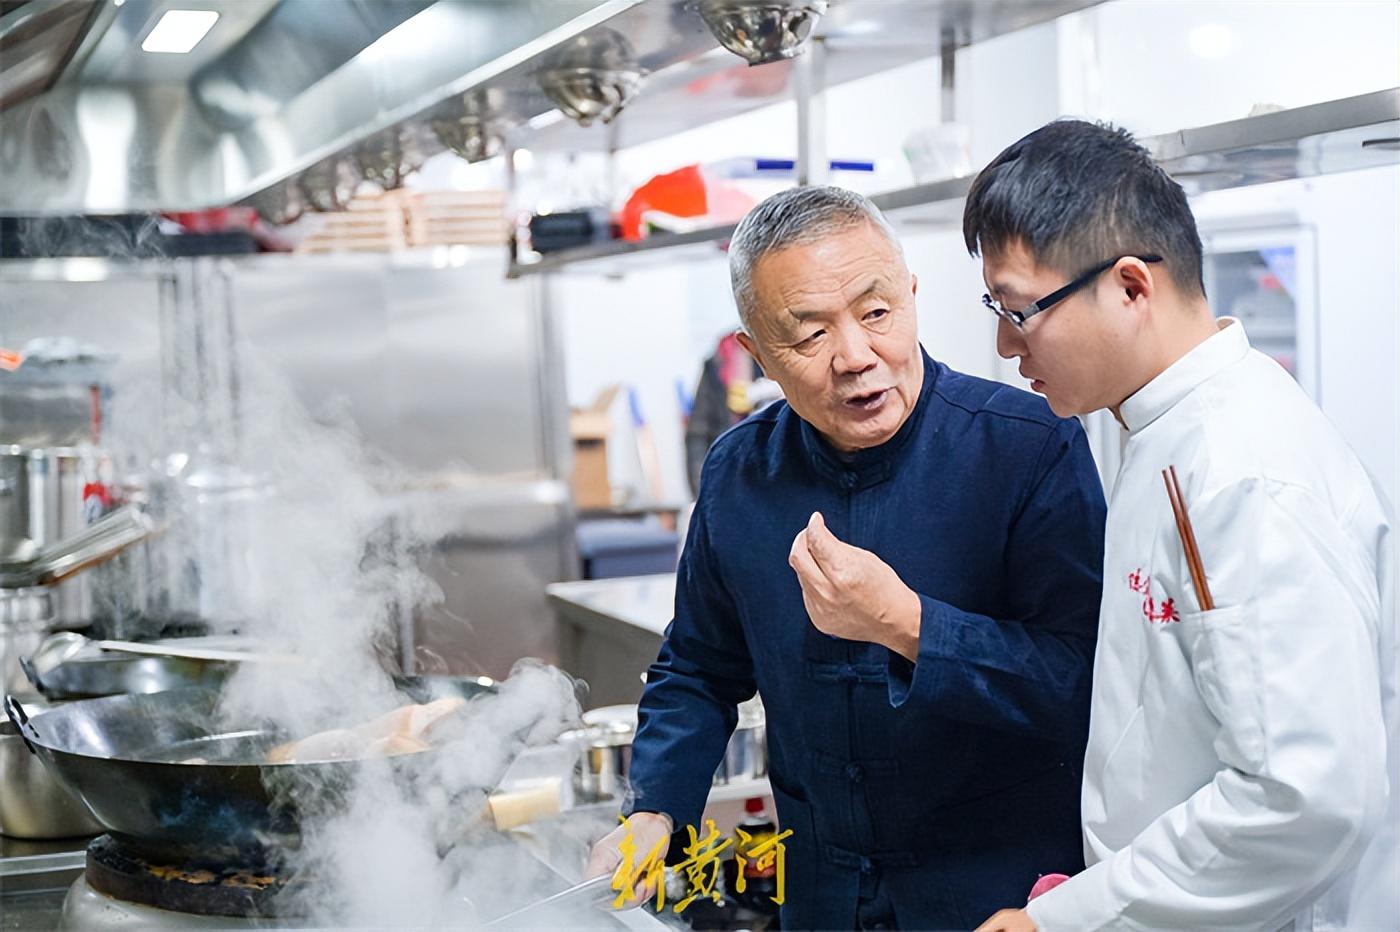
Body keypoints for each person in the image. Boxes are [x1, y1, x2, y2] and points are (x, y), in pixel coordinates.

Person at [584, 185, 1108, 929]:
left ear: (912, 295)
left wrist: (911, 626)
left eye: (876, 313)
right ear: (757, 351)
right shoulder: (741, 474)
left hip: (1000, 896)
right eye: (808, 335)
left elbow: (1084, 680)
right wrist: (657, 809)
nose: (857, 357)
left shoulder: (1027, 445)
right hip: (821, 896)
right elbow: (698, 667)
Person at [963, 120, 1397, 932]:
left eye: (1020, 309)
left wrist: (1070, 919)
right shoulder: (1164, 430)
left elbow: (1304, 800)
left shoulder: (1244, 471)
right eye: (995, 306)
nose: (1002, 343)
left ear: (1131, 286)